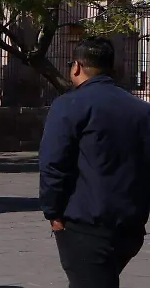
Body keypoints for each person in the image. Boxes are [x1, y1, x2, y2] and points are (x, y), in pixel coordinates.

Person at [39, 37, 150, 288]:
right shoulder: (141, 110)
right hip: (130, 225)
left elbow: (53, 164)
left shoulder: (69, 105)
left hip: (86, 225)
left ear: (76, 67)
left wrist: (53, 213)